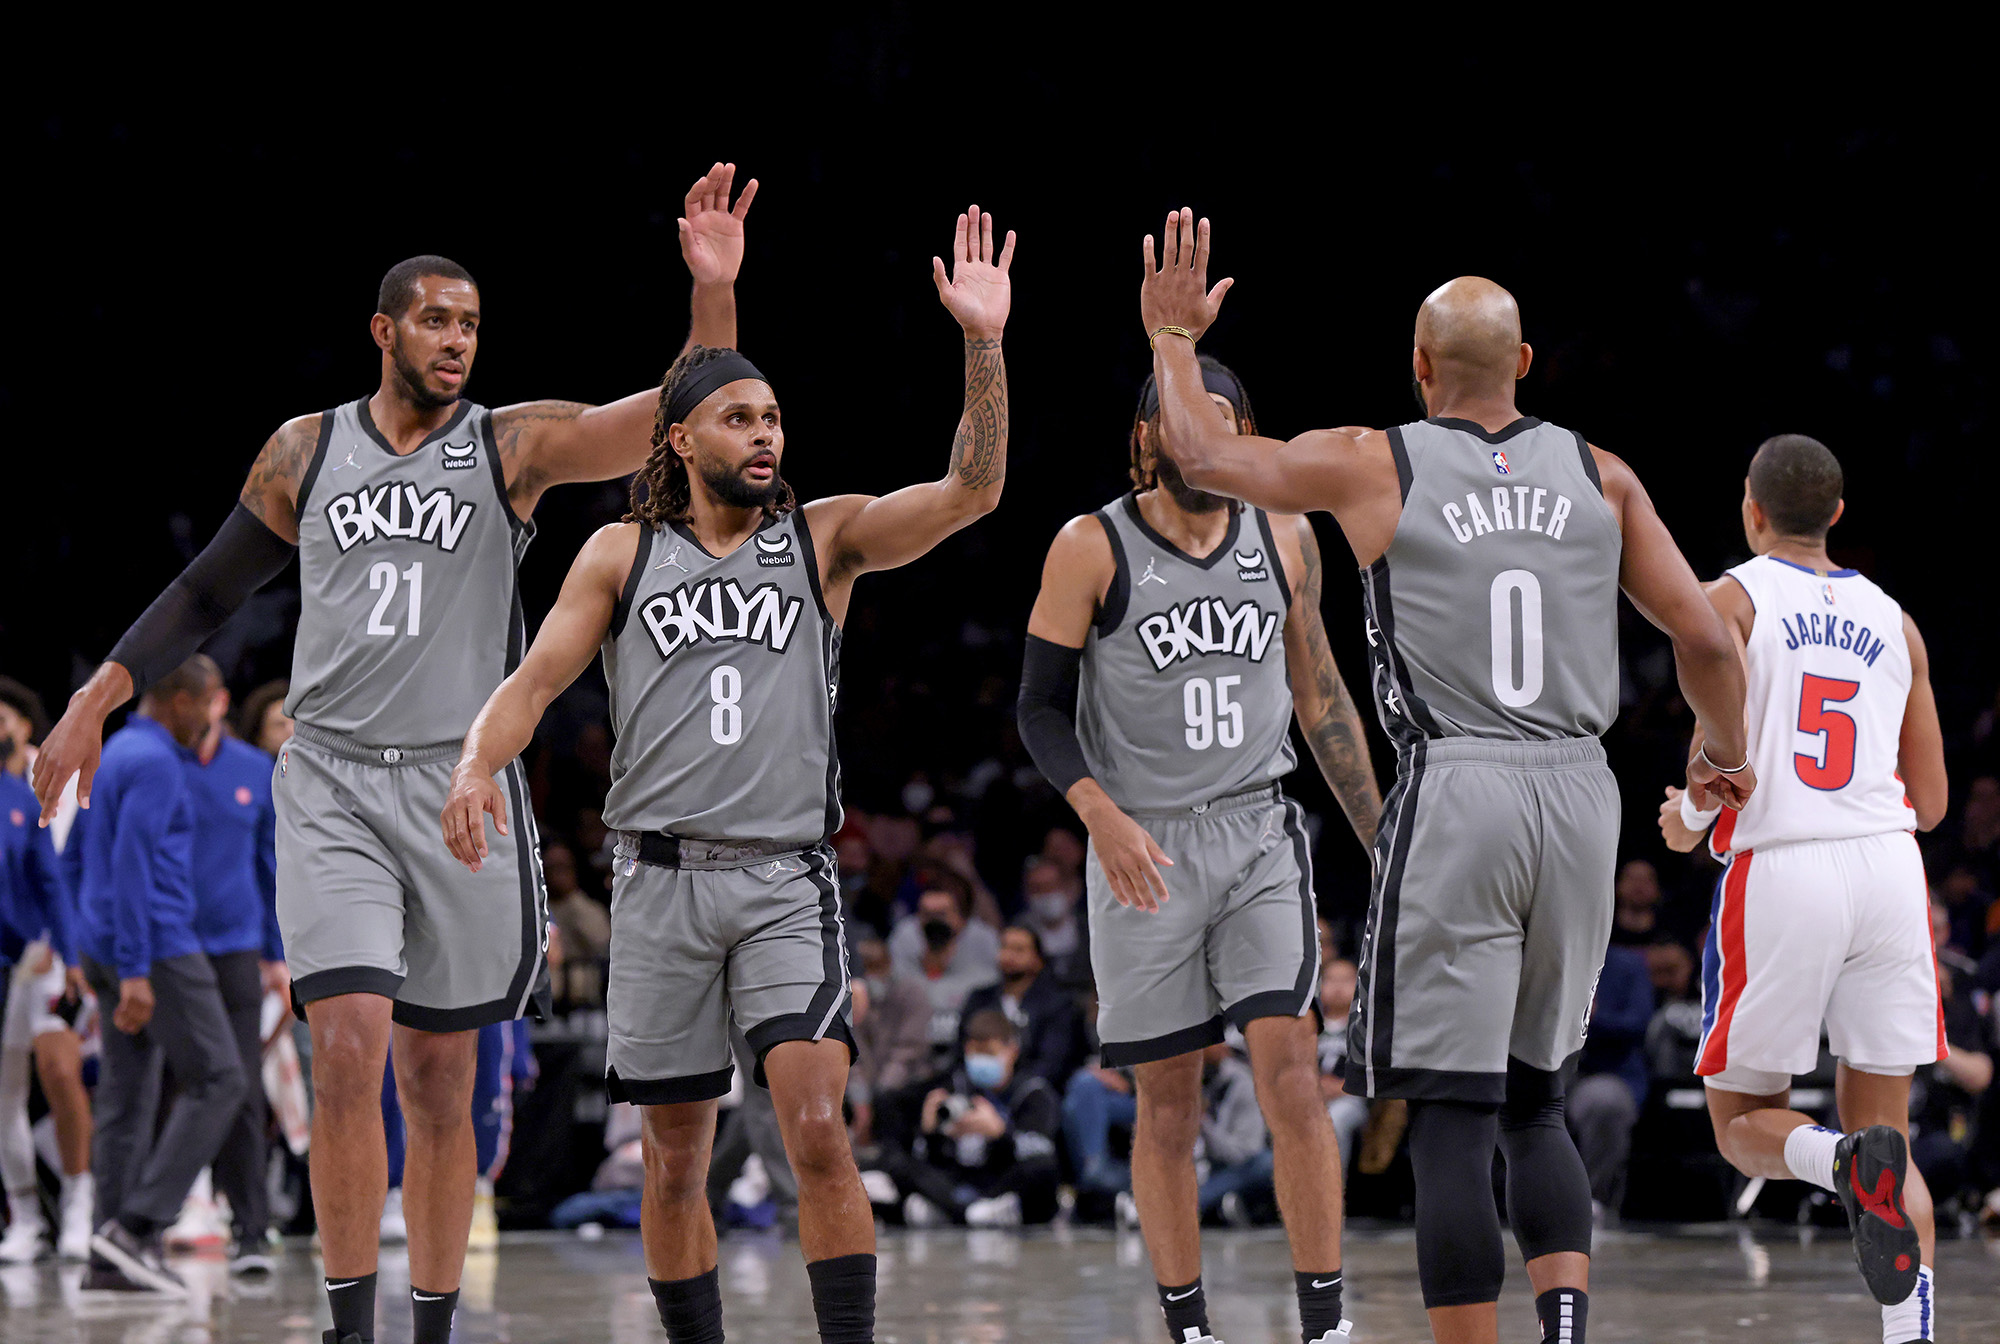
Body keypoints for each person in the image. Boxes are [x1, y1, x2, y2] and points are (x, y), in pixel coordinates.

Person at [31, 165, 756, 1344]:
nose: (457, 340)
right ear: (384, 330)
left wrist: (711, 295)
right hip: (329, 783)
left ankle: (428, 1320)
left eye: (471, 324)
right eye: (436, 319)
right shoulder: (303, 451)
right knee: (346, 1048)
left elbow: (671, 413)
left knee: (439, 1078)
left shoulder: (508, 448)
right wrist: (94, 701)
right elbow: (208, 589)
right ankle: (349, 1325)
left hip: (457, 784)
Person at [1138, 213, 1751, 1344]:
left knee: (1453, 1118)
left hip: (1457, 785)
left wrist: (1173, 340)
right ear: (1525, 365)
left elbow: (1203, 459)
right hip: (1579, 791)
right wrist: (1720, 757)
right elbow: (1709, 643)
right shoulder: (1600, 473)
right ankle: (1562, 1328)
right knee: (1538, 1103)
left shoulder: (1378, 459)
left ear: (1416, 369)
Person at [439, 204, 1014, 1344]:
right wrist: (470, 765)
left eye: (775, 417)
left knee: (814, 1129)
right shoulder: (620, 552)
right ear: (683, 439)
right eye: (739, 417)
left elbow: (972, 493)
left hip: (782, 880)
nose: (765, 434)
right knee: (669, 1162)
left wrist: (983, 345)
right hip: (654, 886)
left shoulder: (824, 540)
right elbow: (534, 681)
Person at [1018, 333, 1382, 1344]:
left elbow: (1319, 699)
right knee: (1166, 1104)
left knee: (1289, 1077)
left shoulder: (1285, 535)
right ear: (1149, 438)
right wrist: (1098, 814)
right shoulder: (1087, 545)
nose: (1208, 440)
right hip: (1143, 846)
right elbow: (1038, 711)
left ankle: (1326, 1324)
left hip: (1258, 831)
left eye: (1225, 423)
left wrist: (1380, 836)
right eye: (1189, 422)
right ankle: (1189, 1327)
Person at [1659, 433, 1950, 1344]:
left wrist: (1690, 815)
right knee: (1891, 1132)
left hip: (1786, 867)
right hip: (1890, 870)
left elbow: (1722, 752)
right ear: (1836, 513)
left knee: (1740, 1121)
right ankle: (1914, 1334)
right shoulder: (1899, 622)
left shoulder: (1732, 598)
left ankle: (1834, 1160)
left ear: (1751, 510)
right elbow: (1934, 803)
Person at [64, 656, 248, 1295]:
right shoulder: (155, 763)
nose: (210, 718)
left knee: (126, 1099)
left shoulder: (115, 752)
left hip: (109, 943)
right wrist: (137, 971)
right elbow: (133, 867)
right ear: (179, 701)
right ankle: (137, 1229)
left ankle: (106, 1257)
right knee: (221, 1078)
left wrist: (96, 952)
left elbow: (79, 861)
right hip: (158, 946)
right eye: (207, 704)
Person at [179, 670, 288, 1275]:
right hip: (170, 951)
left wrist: (276, 954)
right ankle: (179, 1212)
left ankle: (251, 1229)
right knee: (172, 1084)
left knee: (243, 1085)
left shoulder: (253, 770)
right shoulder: (158, 765)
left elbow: (269, 869)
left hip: (238, 951)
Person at [0, 714, 81, 1264]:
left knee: (54, 1073)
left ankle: (79, 1201)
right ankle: (24, 1214)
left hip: (33, 957)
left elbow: (49, 879)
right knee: (4, 1096)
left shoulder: (22, 793)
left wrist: (71, 955)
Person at [876, 1009, 1062, 1227]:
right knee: (894, 1162)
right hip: (958, 1181)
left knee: (1043, 1169)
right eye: (976, 1053)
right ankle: (969, 1212)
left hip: (1003, 1181)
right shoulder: (952, 1086)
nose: (981, 1061)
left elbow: (1041, 1151)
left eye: (989, 1053)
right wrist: (929, 1132)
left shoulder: (1033, 1093)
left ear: (1011, 1050)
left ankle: (955, 1212)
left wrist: (1000, 1133)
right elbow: (924, 1157)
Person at [1566, 943, 1653, 1220]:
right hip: (1544, 1067)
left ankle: (1595, 1202)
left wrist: (1587, 1018)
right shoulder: (1541, 955)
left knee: (1604, 1102)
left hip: (1604, 1069)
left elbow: (1638, 1023)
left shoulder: (1628, 964)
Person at [958, 923, 1082, 1088]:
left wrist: (1009, 1086)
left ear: (1038, 959)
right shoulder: (979, 999)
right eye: (1004, 947)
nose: (1009, 956)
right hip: (979, 1088)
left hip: (1034, 1092)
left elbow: (1052, 1063)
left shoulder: (1057, 1004)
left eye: (1019, 950)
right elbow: (960, 1053)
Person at [891, 877, 1000, 1056]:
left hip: (962, 1054)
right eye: (927, 915)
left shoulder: (982, 967)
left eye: (941, 914)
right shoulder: (903, 949)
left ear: (960, 920)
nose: (934, 922)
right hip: (911, 1055)